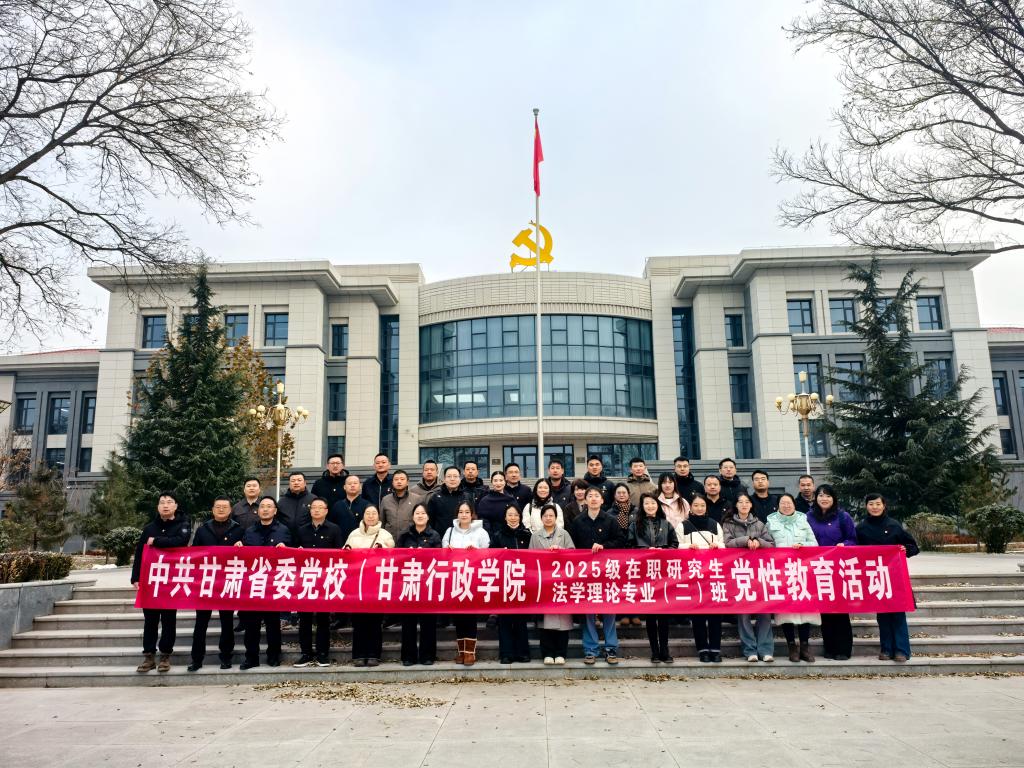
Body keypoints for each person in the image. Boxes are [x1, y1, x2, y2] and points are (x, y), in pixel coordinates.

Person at [856, 493, 920, 662]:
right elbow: (855, 552)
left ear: (884, 506)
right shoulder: (861, 528)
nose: (875, 507)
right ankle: (886, 648)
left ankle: (901, 650)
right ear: (866, 506)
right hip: (875, 576)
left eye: (878, 504)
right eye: (871, 504)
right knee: (883, 614)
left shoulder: (894, 525)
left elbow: (913, 547)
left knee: (898, 613)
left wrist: (906, 549)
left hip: (895, 576)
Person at [132, 492, 190, 673]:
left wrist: (156, 541)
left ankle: (165, 655)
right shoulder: (149, 528)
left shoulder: (183, 525)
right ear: (157, 507)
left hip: (171, 581)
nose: (165, 505)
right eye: (162, 502)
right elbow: (140, 553)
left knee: (168, 619)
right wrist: (135, 577)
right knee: (150, 620)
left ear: (176, 506)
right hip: (151, 580)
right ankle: (149, 655)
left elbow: (180, 542)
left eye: (169, 502)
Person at [188, 496, 244, 672]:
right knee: (201, 623)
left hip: (227, 580)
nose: (221, 509)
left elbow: (245, 555)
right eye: (218, 507)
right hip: (206, 581)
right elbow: (194, 554)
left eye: (224, 507)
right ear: (212, 510)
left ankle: (226, 657)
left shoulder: (238, 529)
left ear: (230, 510)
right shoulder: (203, 529)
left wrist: (242, 547)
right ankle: (197, 659)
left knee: (227, 622)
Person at [570, 486, 625, 665]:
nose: (593, 498)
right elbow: (572, 547)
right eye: (590, 496)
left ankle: (611, 649)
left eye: (597, 496)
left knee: (609, 610)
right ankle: (590, 649)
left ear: (602, 500)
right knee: (588, 611)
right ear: (585, 500)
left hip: (607, 572)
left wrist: (604, 546)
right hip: (585, 572)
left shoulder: (611, 520)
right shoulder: (578, 521)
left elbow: (620, 541)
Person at [723, 493, 776, 663]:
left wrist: (759, 541)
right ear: (736, 505)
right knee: (743, 612)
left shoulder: (759, 524)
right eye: (741, 502)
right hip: (739, 572)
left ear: (751, 505)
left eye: (747, 502)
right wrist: (746, 540)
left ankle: (765, 649)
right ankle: (750, 650)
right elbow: (727, 543)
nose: (744, 505)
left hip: (759, 573)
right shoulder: (728, 524)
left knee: (764, 611)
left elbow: (771, 544)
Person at [806, 483, 857, 660]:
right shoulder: (808, 517)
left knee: (840, 609)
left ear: (833, 498)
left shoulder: (843, 517)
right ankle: (829, 647)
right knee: (825, 610)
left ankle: (843, 649)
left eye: (828, 495)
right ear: (816, 498)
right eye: (821, 495)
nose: (824, 498)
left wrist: (845, 545)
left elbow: (853, 539)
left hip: (838, 569)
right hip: (817, 569)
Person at [767, 493, 820, 663]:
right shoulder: (771, 523)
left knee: (805, 608)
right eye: (783, 503)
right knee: (786, 610)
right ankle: (791, 646)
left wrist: (803, 546)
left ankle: (804, 646)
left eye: (789, 503)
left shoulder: (803, 521)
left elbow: (814, 543)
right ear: (778, 506)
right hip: (782, 571)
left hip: (803, 570)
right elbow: (767, 545)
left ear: (794, 505)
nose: (786, 506)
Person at [240, 496, 291, 670]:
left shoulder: (283, 530)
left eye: (269, 506)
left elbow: (293, 554)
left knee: (273, 624)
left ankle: (274, 656)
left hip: (273, 583)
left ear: (275, 511)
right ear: (258, 510)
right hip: (254, 583)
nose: (265, 509)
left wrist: (286, 548)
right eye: (262, 506)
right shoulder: (249, 531)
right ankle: (251, 657)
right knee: (251, 624)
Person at [628, 493, 679, 664]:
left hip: (663, 573)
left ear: (658, 505)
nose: (650, 506)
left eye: (653, 503)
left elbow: (675, 545)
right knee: (650, 614)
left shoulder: (666, 524)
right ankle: (654, 651)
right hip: (645, 573)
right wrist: (644, 552)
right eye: (646, 503)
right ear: (642, 507)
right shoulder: (635, 525)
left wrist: (664, 552)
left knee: (663, 614)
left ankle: (665, 649)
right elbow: (629, 547)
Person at [293, 498, 344, 667]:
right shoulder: (302, 530)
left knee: (323, 619)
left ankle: (323, 653)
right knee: (304, 619)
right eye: (313, 507)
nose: (316, 510)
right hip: (305, 579)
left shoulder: (334, 529)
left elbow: (340, 554)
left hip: (325, 579)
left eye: (320, 507)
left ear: (326, 511)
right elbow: (293, 552)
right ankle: (306, 653)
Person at [677, 495, 725, 663]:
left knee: (715, 614)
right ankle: (702, 649)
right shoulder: (683, 525)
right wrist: (687, 547)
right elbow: (677, 546)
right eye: (696, 505)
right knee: (698, 614)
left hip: (712, 573)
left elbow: (723, 545)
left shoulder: (714, 524)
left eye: (702, 505)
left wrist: (717, 546)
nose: (699, 508)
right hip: (693, 574)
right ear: (691, 507)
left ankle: (715, 649)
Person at [345, 505, 395, 666]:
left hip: (376, 583)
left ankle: (374, 654)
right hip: (357, 583)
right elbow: (344, 554)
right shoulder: (353, 534)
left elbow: (393, 553)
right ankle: (359, 654)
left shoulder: (385, 534)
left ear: (379, 516)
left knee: (374, 620)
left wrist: (382, 548)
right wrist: (346, 549)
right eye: (368, 513)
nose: (371, 516)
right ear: (363, 515)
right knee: (358, 621)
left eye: (374, 513)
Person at [442, 501, 490, 665]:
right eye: (461, 512)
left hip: (473, 578)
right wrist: (448, 550)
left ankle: (470, 652)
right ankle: (461, 651)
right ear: (457, 514)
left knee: (470, 615)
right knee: (458, 616)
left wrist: (476, 552)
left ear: (472, 514)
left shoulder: (481, 532)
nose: (464, 515)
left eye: (467, 512)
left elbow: (487, 554)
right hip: (455, 578)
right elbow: (443, 554)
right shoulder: (449, 531)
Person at [397, 504, 442, 666]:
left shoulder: (434, 535)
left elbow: (439, 559)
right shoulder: (404, 536)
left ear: (428, 516)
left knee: (428, 622)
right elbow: (397, 558)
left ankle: (427, 655)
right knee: (408, 622)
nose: (420, 515)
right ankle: (408, 656)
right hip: (409, 582)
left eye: (423, 513)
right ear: (413, 516)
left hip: (427, 583)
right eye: (417, 513)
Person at [530, 504, 574, 665]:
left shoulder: (564, 534)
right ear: (541, 518)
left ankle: (561, 652)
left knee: (563, 620)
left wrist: (561, 550)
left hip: (561, 583)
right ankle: (547, 653)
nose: (548, 518)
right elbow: (529, 558)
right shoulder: (535, 536)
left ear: (556, 518)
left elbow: (574, 554)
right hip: (544, 583)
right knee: (545, 620)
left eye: (551, 515)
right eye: (545, 515)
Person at [489, 504, 532, 664]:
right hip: (504, 581)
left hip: (522, 581)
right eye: (510, 515)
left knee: (520, 619)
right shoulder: (498, 535)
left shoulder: (527, 535)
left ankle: (522, 652)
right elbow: (492, 557)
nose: (513, 518)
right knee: (505, 619)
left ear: (520, 517)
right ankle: (506, 653)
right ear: (505, 517)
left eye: (516, 515)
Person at [427, 466, 472, 535]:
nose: (452, 479)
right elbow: (430, 521)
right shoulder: (435, 497)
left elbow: (473, 519)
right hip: (440, 537)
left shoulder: (467, 497)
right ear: (444, 479)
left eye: (455, 476)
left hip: (463, 537)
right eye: (449, 476)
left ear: (460, 479)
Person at [381, 469, 417, 539]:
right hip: (389, 540)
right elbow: (382, 522)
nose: (399, 481)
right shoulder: (385, 500)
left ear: (407, 482)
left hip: (410, 540)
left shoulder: (416, 499)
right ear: (392, 482)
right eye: (396, 479)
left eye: (402, 479)